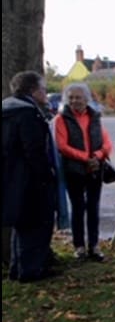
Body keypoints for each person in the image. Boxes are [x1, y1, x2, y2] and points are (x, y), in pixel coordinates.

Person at [2, 71, 58, 282]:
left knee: (21, 225)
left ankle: (17, 268)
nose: (45, 93)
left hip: (11, 178)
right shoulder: (28, 115)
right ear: (33, 91)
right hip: (30, 180)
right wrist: (46, 174)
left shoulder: (7, 111)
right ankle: (31, 270)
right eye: (43, 89)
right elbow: (34, 151)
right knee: (35, 224)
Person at [54, 82, 114, 261]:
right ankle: (79, 246)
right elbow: (62, 146)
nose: (74, 101)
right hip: (74, 170)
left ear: (86, 99)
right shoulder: (61, 119)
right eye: (71, 97)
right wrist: (85, 157)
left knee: (93, 208)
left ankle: (94, 245)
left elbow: (106, 143)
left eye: (78, 97)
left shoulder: (94, 117)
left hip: (95, 168)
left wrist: (97, 156)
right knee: (78, 207)